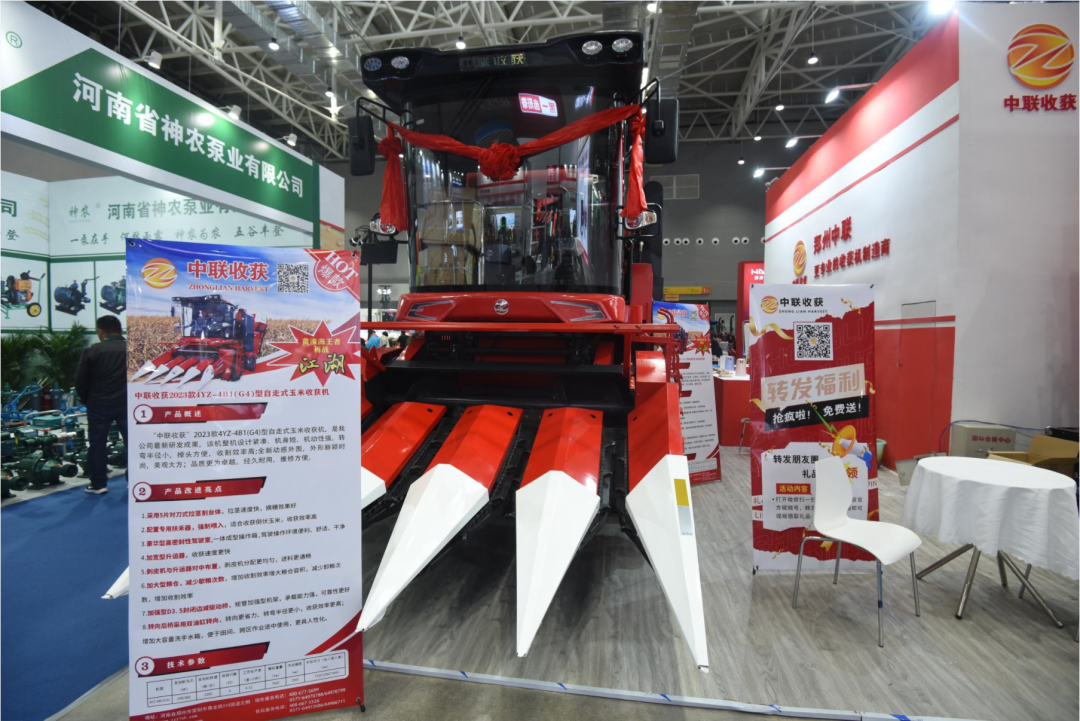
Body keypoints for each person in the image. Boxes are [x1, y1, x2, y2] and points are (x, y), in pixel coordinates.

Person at [75, 315, 128, 495]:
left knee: (97, 444)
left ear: (100, 331)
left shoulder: (91, 351)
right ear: (120, 330)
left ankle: (98, 484)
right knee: (132, 443)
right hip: (127, 404)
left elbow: (80, 381)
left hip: (98, 405)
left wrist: (87, 400)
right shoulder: (133, 349)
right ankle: (135, 481)